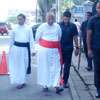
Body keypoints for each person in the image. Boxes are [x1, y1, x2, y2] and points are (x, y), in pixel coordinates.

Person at [35, 12, 64, 94]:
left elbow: (59, 37)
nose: (50, 20)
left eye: (52, 19)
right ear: (46, 19)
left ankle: (57, 85)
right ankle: (45, 85)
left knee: (57, 68)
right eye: (49, 18)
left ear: (54, 19)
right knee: (45, 67)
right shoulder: (42, 26)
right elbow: (37, 38)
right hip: (44, 51)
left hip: (55, 50)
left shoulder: (57, 26)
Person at [9, 14, 34, 89]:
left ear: (24, 19)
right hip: (16, 49)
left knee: (24, 65)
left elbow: (31, 40)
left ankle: (23, 81)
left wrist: (33, 50)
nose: (20, 20)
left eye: (21, 19)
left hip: (25, 50)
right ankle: (20, 82)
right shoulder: (14, 28)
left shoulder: (28, 28)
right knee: (17, 66)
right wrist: (10, 50)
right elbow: (11, 40)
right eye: (18, 19)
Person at [59, 11, 79, 88]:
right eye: (65, 16)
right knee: (59, 66)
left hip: (69, 49)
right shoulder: (58, 25)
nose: (66, 18)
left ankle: (65, 82)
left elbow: (75, 37)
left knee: (67, 66)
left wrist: (77, 48)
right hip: (59, 49)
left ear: (70, 18)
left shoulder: (73, 26)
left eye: (67, 17)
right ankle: (59, 81)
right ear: (63, 17)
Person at [87, 2, 100, 98]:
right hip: (97, 49)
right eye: (99, 7)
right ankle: (99, 89)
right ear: (96, 8)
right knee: (98, 70)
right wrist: (89, 49)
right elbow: (89, 36)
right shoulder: (92, 20)